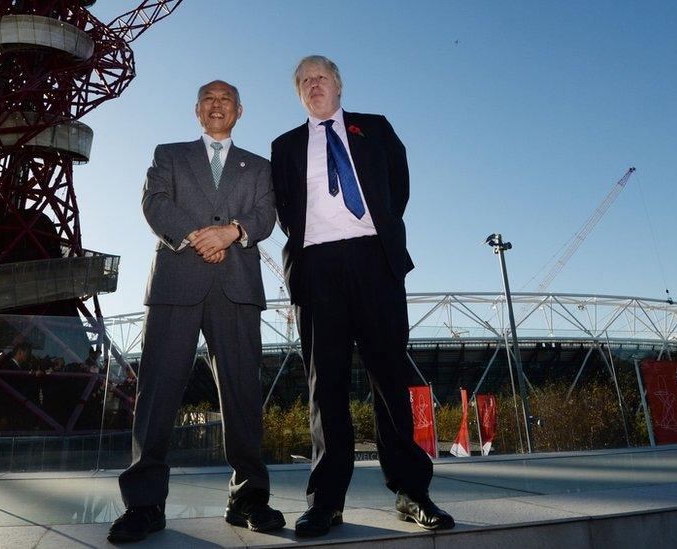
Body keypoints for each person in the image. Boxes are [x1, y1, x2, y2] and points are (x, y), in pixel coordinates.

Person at [270, 55, 455, 537]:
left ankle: (413, 493)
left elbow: (399, 187)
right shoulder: (284, 146)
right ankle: (326, 502)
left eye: (321, 77)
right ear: (299, 93)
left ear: (339, 85)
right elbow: (286, 209)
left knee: (390, 379)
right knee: (324, 386)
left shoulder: (375, 128)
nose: (314, 85)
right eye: (305, 81)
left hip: (375, 262)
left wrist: (374, 232)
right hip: (317, 270)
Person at [108, 80, 283, 543]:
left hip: (237, 288)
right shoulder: (168, 154)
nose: (217, 105)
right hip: (175, 284)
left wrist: (232, 233)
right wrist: (200, 235)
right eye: (209, 98)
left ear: (239, 110)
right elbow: (154, 202)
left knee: (243, 393)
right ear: (197, 110)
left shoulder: (261, 166)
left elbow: (267, 213)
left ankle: (248, 498)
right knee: (157, 393)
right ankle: (144, 506)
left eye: (226, 99)